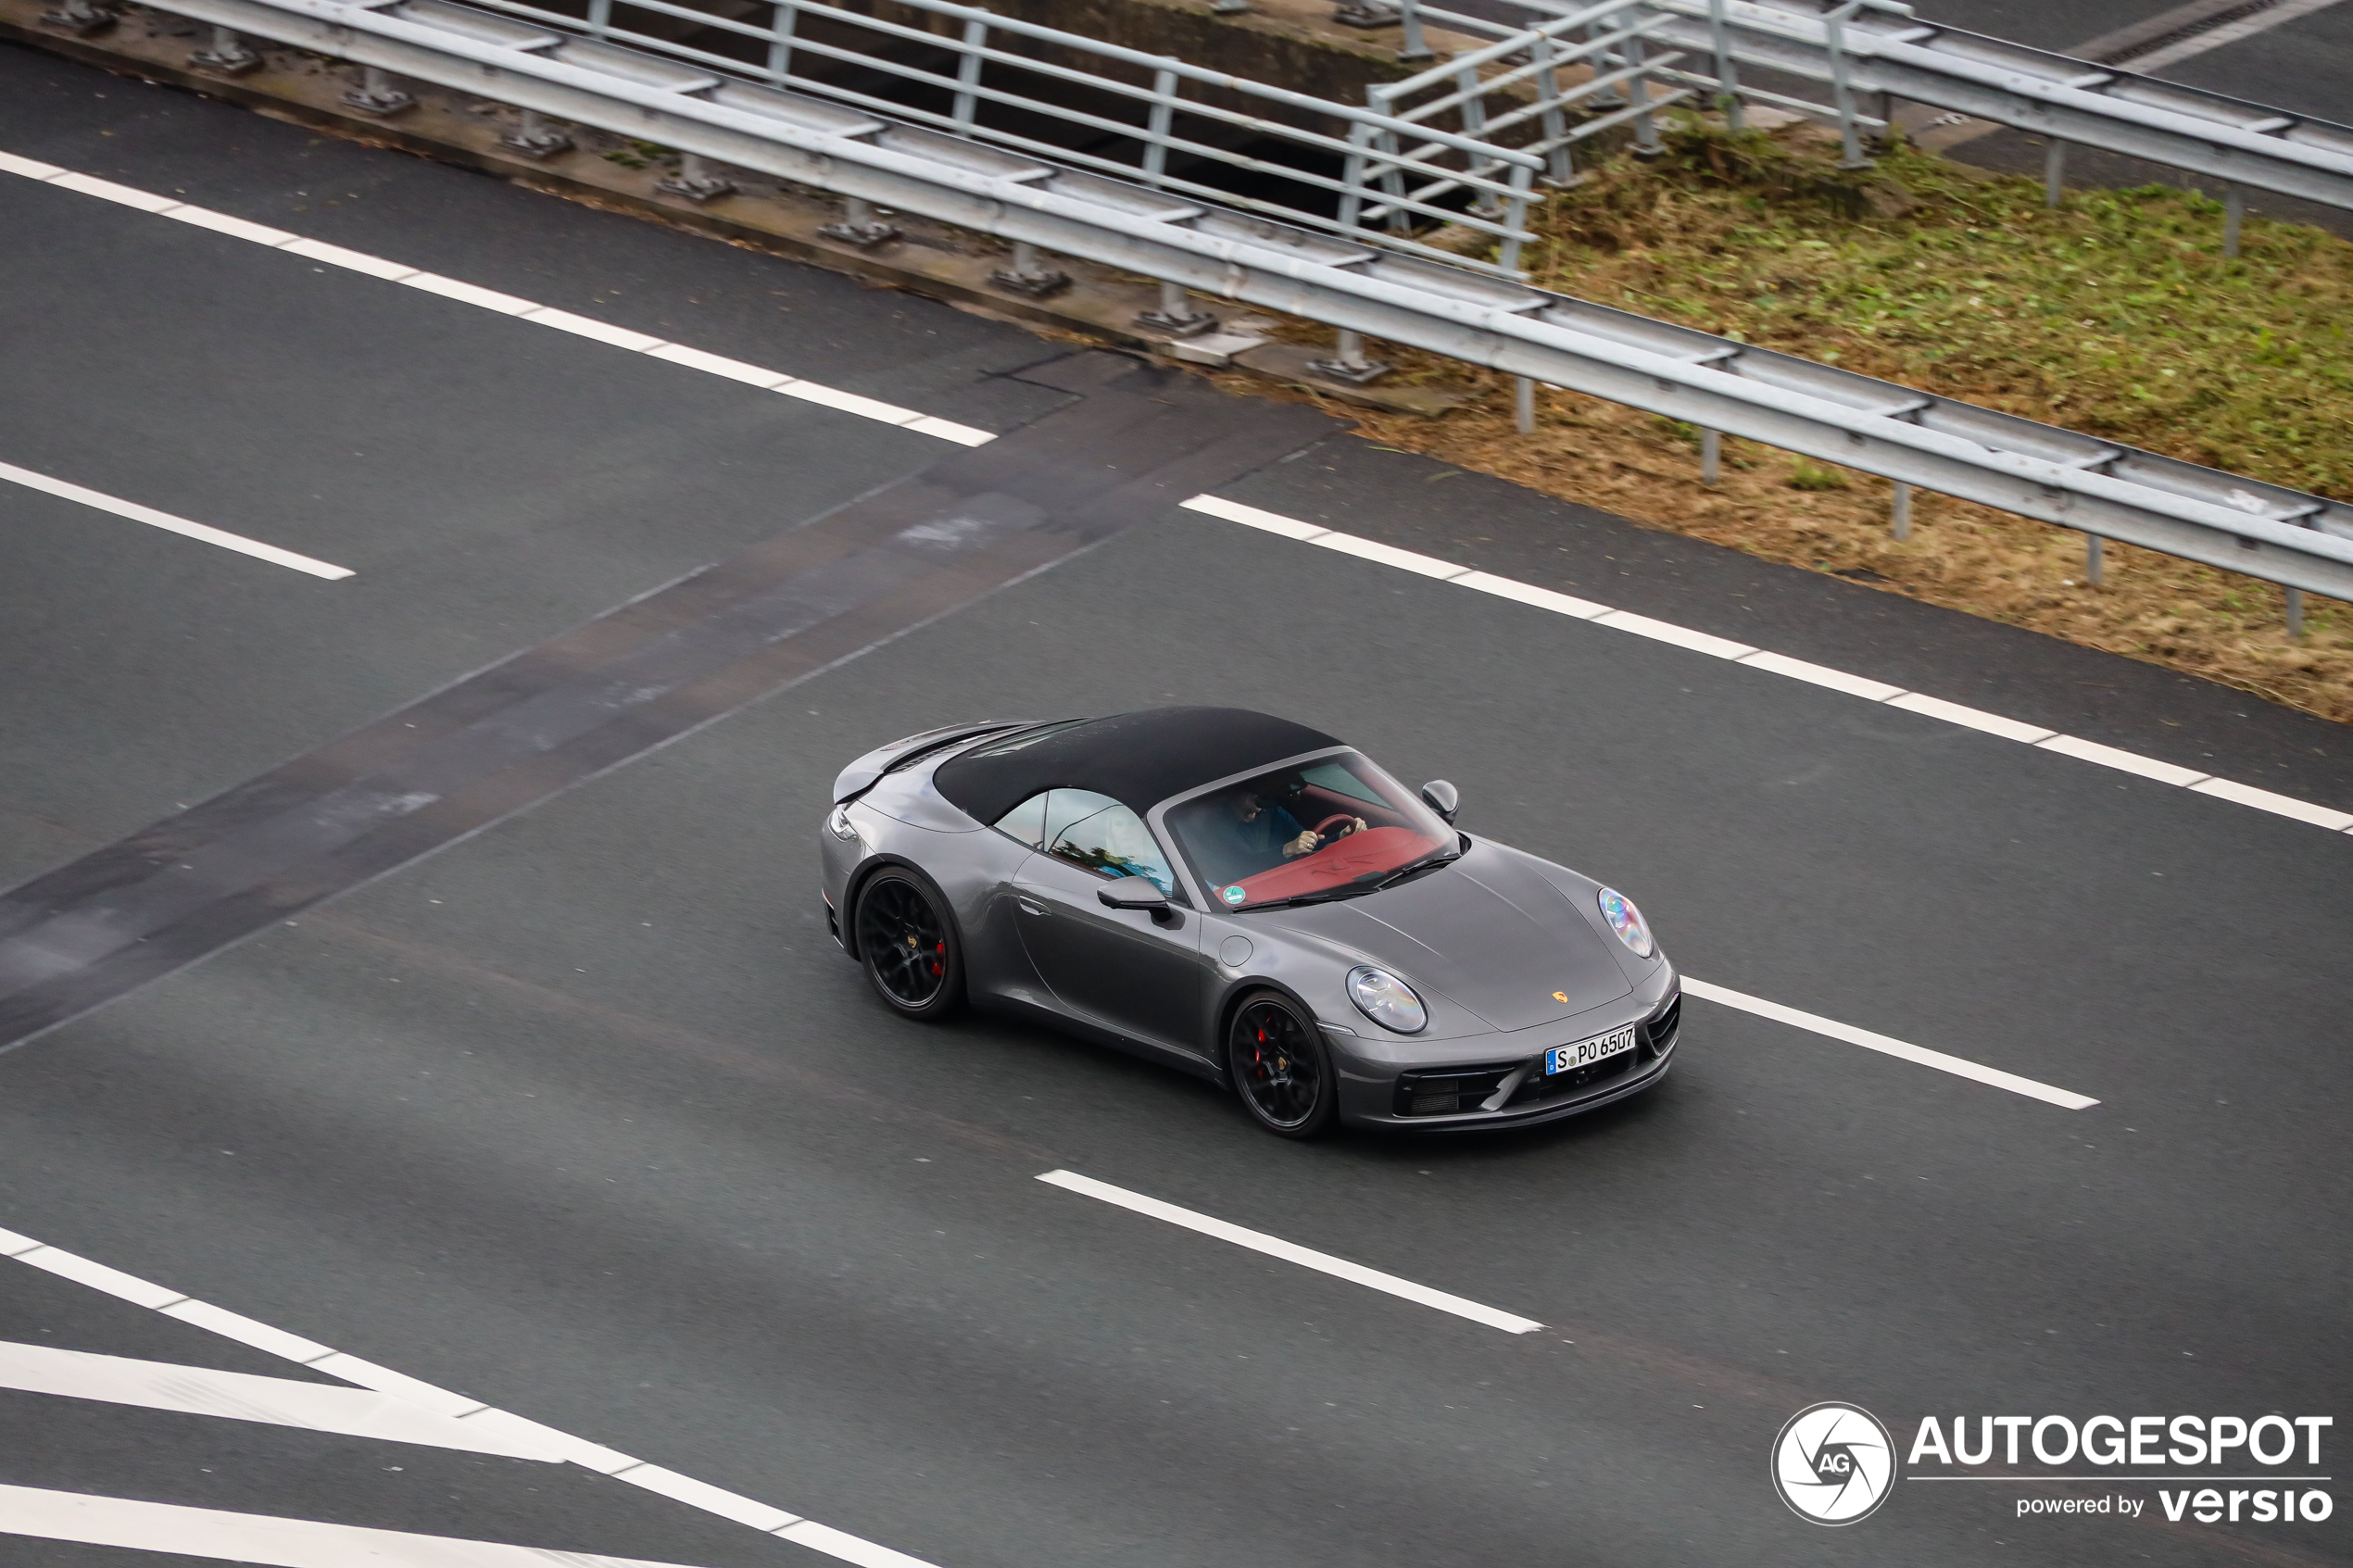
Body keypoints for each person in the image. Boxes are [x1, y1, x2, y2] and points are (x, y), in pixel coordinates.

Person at [1190, 785, 1363, 883]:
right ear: (1236, 792)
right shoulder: (1217, 826)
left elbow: (1307, 845)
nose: (1263, 797)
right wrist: (1288, 849)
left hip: (1287, 881)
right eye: (1256, 791)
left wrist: (1342, 837)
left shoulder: (1273, 813)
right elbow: (1243, 865)